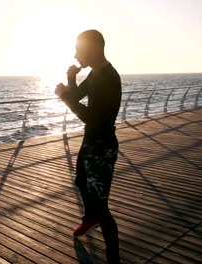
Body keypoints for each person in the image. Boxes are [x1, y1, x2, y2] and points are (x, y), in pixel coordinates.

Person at [55, 29, 122, 263]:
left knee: (102, 208)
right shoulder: (95, 74)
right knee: (80, 181)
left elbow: (90, 117)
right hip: (90, 142)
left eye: (78, 49)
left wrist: (64, 95)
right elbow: (78, 96)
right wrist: (71, 79)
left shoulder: (108, 78)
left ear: (91, 49)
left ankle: (114, 258)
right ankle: (89, 217)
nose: (75, 55)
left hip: (102, 148)